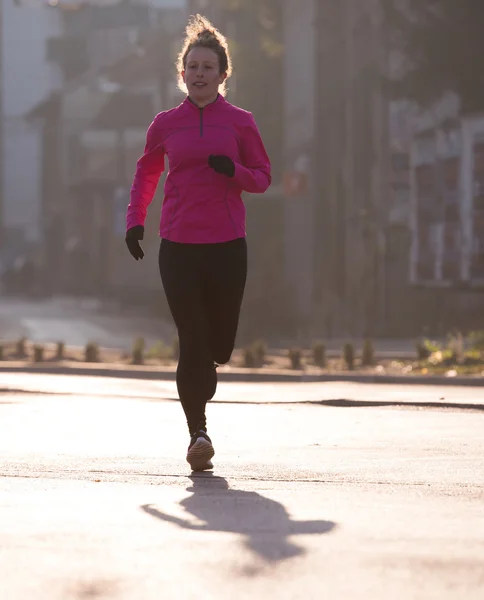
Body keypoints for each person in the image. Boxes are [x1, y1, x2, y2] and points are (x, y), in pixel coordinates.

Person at [125, 14, 271, 472]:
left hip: (228, 244)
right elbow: (146, 174)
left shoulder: (241, 123)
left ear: (223, 74)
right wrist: (135, 223)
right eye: (193, 66)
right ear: (182, 72)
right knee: (192, 339)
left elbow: (263, 178)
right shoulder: (166, 124)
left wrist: (236, 173)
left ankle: (208, 366)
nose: (200, 73)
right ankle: (198, 433)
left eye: (209, 66)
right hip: (179, 245)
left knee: (219, 345)